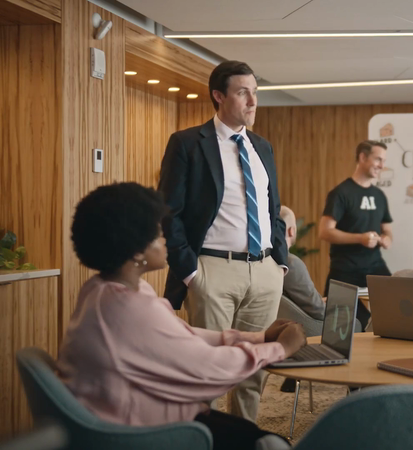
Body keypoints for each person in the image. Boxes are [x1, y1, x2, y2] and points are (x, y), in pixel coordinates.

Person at [59, 183, 307, 450]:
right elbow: (209, 370)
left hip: (138, 417)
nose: (166, 238)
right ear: (136, 251)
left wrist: (259, 337)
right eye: (158, 233)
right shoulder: (128, 309)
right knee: (272, 444)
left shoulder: (103, 290)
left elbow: (183, 335)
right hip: (141, 434)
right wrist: (281, 348)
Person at [158, 60, 289, 422]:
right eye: (243, 93)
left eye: (255, 93)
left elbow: (273, 208)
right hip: (212, 269)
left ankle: (244, 438)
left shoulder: (262, 147)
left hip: (264, 271)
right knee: (208, 371)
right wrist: (190, 273)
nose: (253, 101)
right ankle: (203, 439)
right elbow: (168, 211)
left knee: (254, 370)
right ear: (218, 96)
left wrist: (279, 263)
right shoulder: (187, 143)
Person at [319, 140, 393, 330]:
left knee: (396, 310)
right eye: (378, 159)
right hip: (345, 270)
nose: (382, 165)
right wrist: (360, 238)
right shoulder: (341, 193)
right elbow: (325, 231)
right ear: (362, 157)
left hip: (375, 266)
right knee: (342, 327)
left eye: (384, 161)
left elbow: (387, 230)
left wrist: (386, 239)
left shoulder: (379, 195)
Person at [278, 206, 327, 393]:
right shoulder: (291, 263)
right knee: (356, 323)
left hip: (282, 327)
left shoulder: (262, 261)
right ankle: (355, 387)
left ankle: (291, 380)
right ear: (292, 230)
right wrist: (328, 305)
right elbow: (318, 310)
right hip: (308, 329)